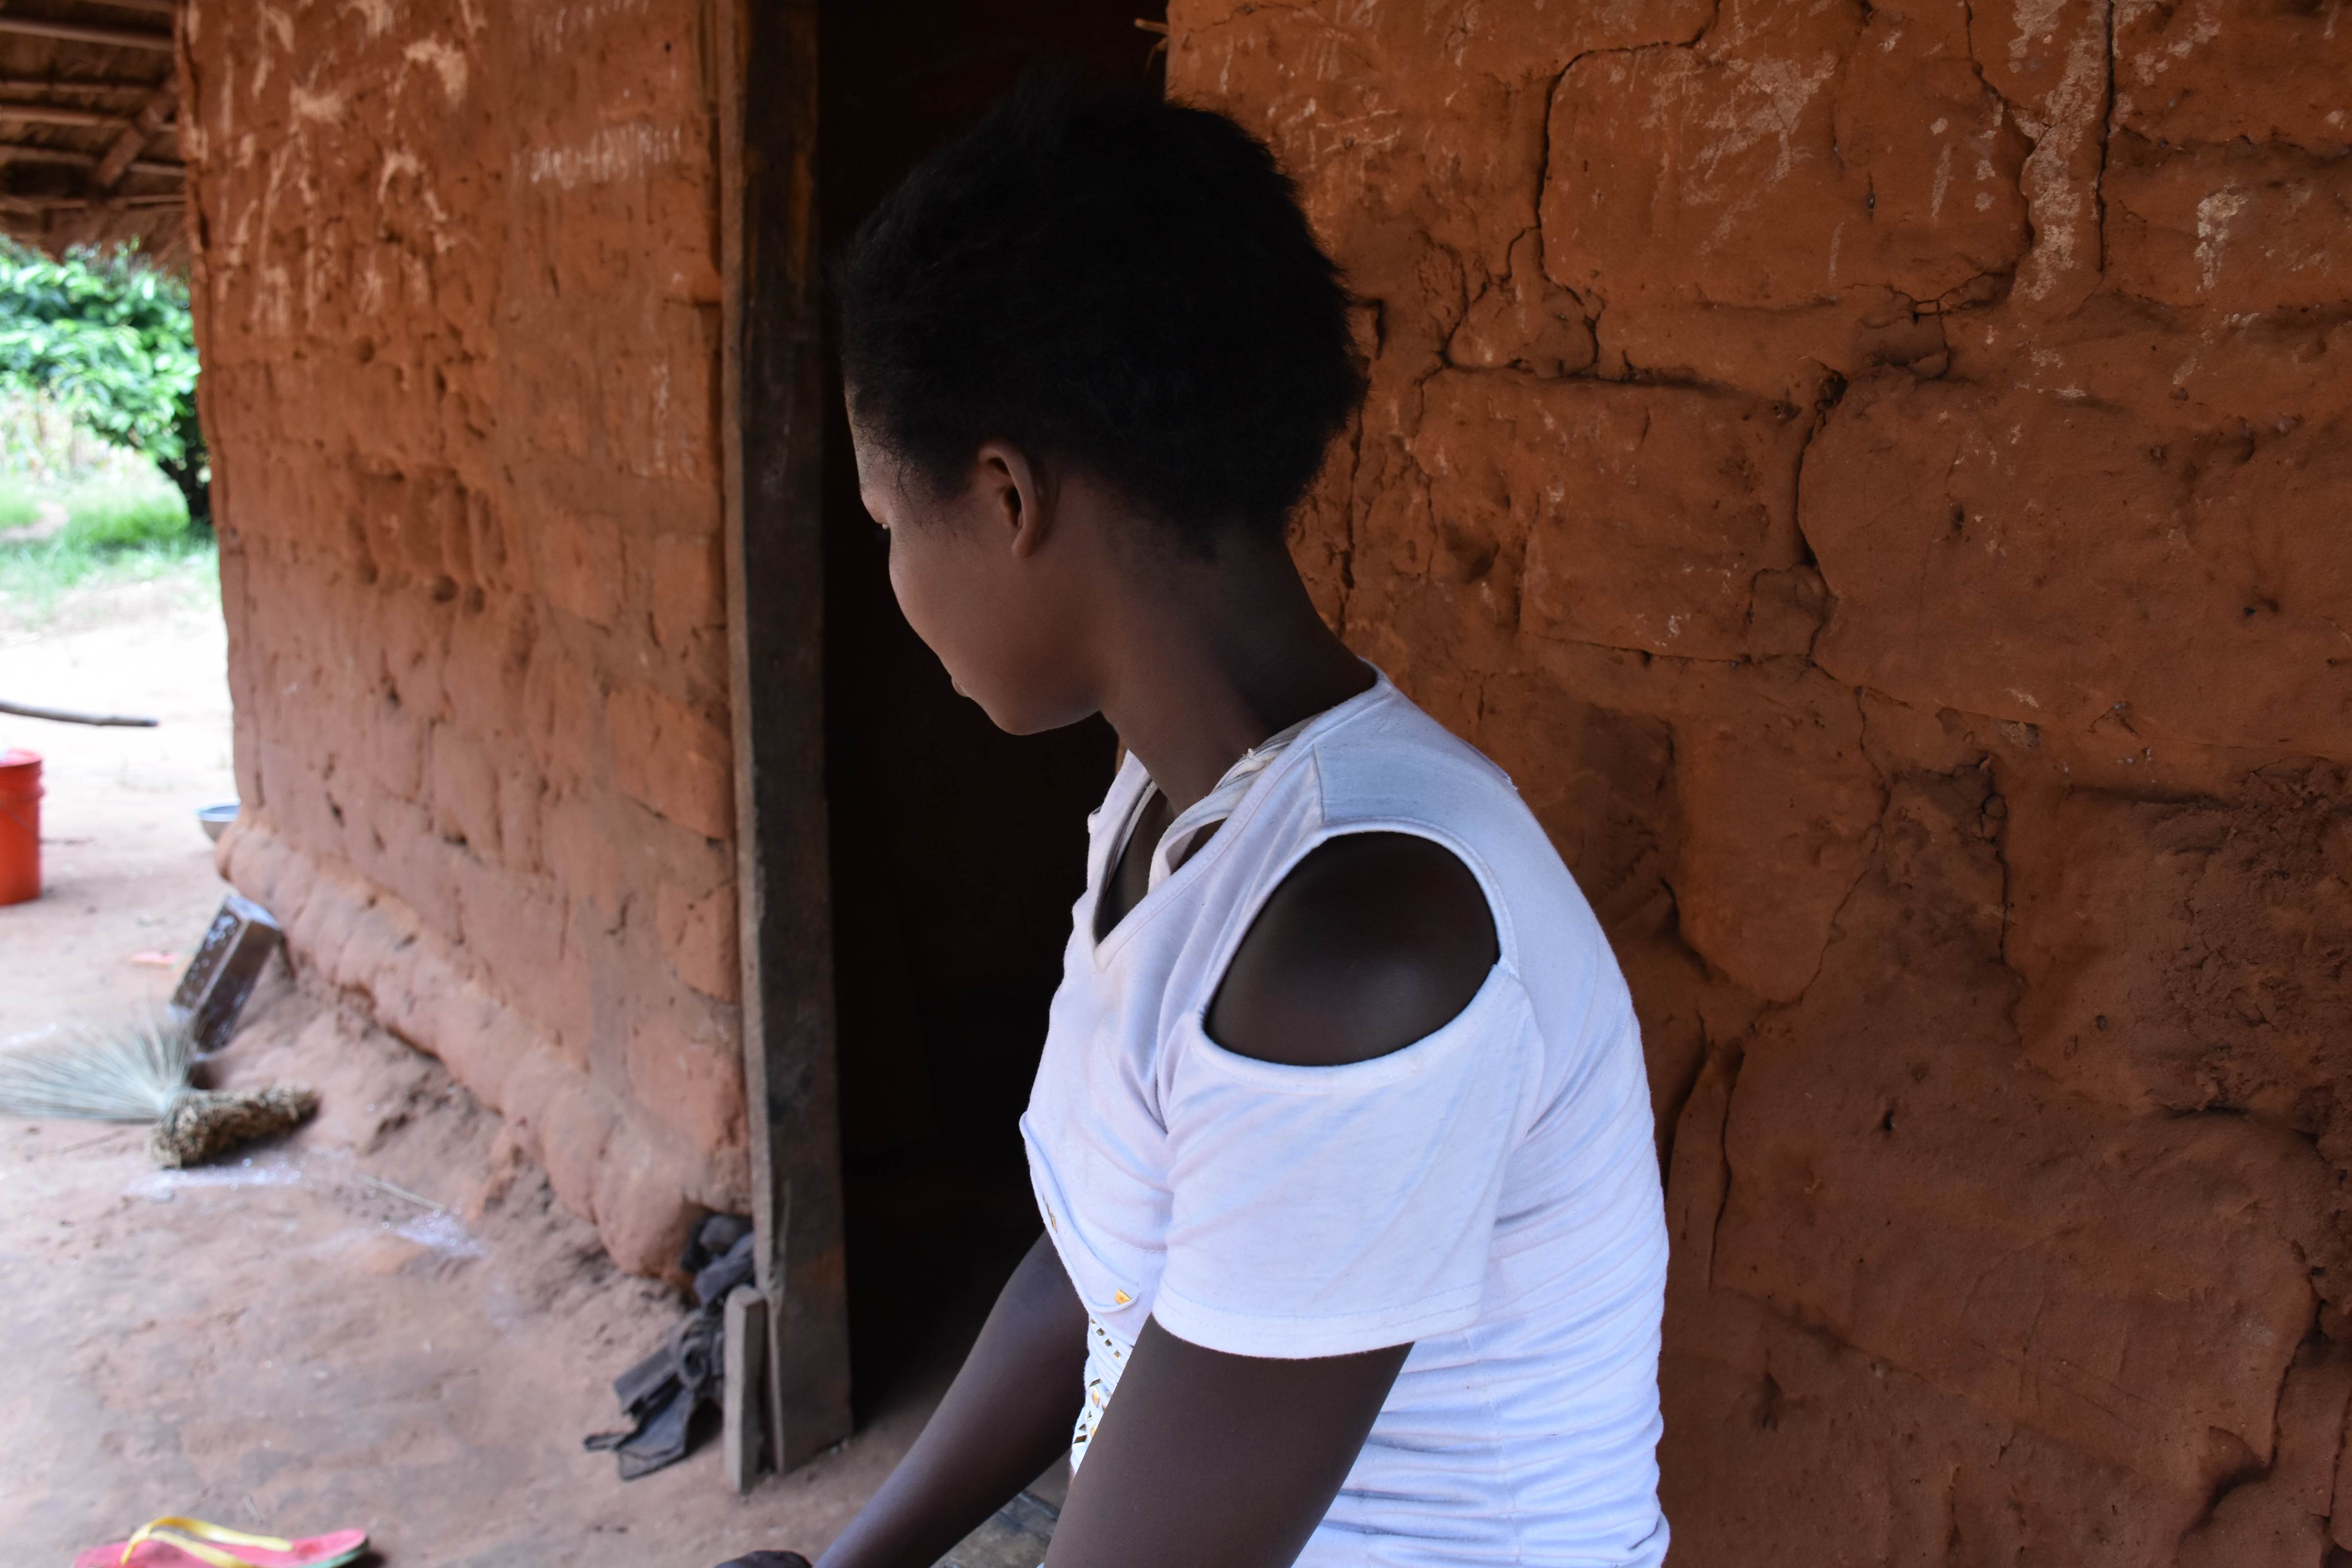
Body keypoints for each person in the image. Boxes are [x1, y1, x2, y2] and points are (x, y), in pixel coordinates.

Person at [718, 76, 1669, 1568]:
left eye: (889, 524)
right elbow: (1099, 1267)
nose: (894, 580)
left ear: (1007, 493)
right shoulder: (1174, 812)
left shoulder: (1363, 948)